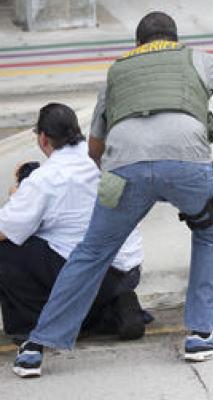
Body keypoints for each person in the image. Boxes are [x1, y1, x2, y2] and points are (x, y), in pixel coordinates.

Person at [12, 11, 213, 378]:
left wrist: (115, 178)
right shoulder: (196, 59)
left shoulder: (117, 72)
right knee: (210, 232)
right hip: (186, 165)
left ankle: (35, 347)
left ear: (138, 44)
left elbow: (95, 146)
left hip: (124, 168)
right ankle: (201, 335)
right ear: (174, 40)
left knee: (92, 252)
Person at [0, 103, 146, 345]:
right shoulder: (102, 157)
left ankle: (37, 327)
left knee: (7, 252)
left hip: (88, 275)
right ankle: (113, 308)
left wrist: (18, 195)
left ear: (43, 138)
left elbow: (5, 231)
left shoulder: (45, 178)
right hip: (127, 269)